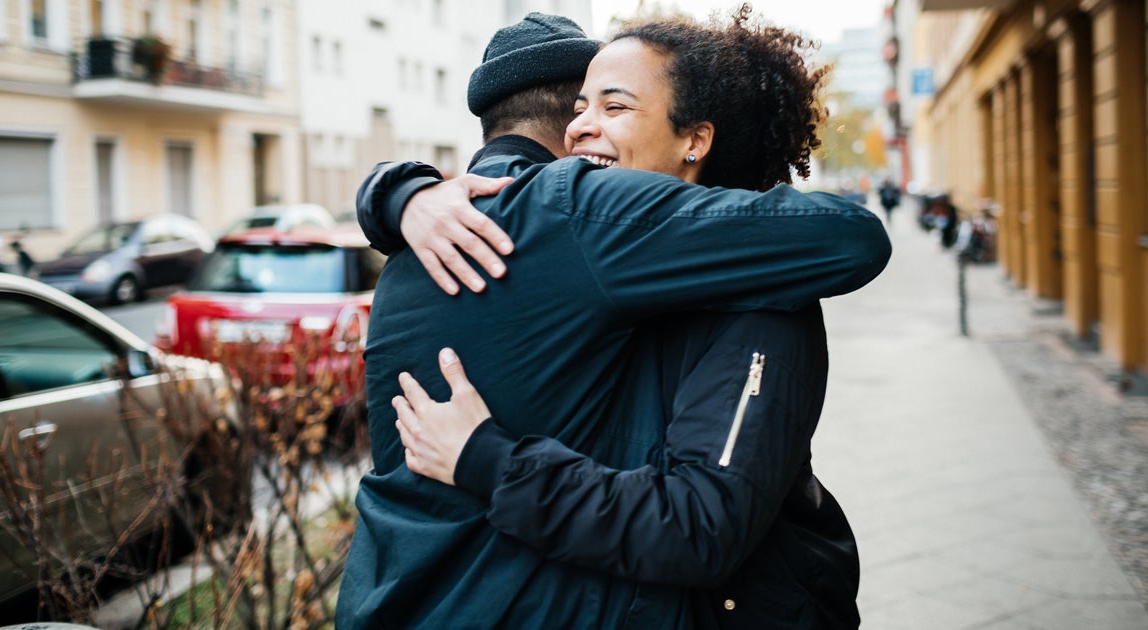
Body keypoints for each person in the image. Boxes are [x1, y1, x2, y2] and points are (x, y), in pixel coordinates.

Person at [336, 10, 890, 630]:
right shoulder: (587, 254)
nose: (582, 130)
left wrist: (486, 458)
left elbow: (700, 524)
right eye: (578, 108)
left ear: (695, 139)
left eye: (615, 106)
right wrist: (397, 191)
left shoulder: (756, 298)